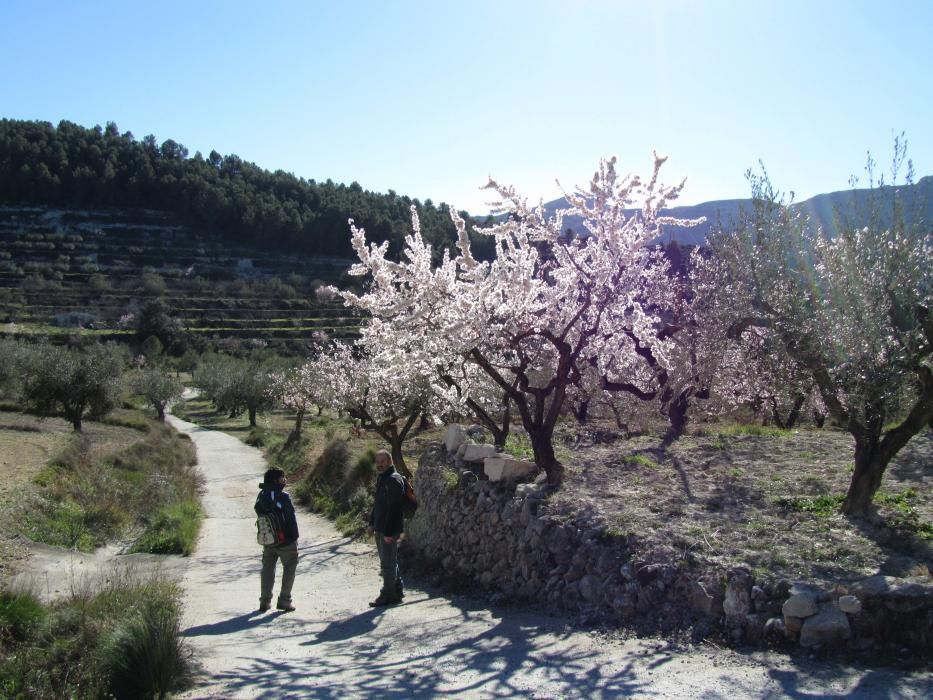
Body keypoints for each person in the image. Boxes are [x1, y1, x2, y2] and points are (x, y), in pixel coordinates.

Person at [255, 468, 299, 612]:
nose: (284, 480)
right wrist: (294, 538)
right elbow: (291, 519)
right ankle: (285, 600)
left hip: (268, 539)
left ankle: (265, 601)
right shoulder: (283, 496)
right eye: (282, 478)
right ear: (276, 481)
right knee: (290, 567)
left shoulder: (261, 495)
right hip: (285, 540)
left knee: (267, 568)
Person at [368, 449, 405, 607]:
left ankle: (387, 594)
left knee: (387, 563)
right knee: (389, 560)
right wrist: (372, 523)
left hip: (388, 529)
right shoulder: (383, 478)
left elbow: (394, 508)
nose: (379, 465)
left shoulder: (393, 480)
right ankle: (397, 589)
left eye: (382, 461)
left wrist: (389, 532)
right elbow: (378, 504)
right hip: (381, 527)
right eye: (377, 462)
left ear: (390, 462)